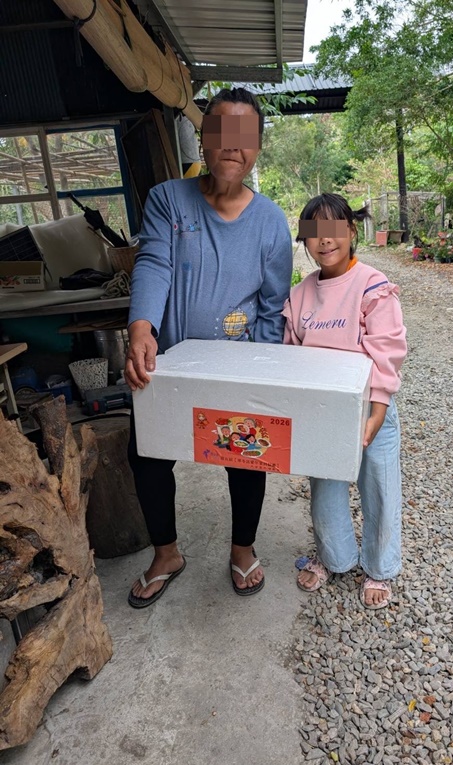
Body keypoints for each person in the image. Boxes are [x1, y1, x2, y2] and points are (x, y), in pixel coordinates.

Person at [124, 88, 293, 607]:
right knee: (147, 456)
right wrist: (141, 328)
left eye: (245, 137)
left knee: (247, 458)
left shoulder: (271, 222)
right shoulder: (168, 200)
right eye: (221, 133)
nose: (232, 146)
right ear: (204, 139)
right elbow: (154, 263)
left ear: (257, 147)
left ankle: (242, 549)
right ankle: (166, 554)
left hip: (236, 369)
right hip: (167, 366)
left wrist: (262, 372)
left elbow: (272, 307)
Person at [283, 193, 407, 609]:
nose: (324, 240)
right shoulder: (300, 295)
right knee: (326, 489)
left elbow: (387, 351)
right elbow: (291, 354)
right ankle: (334, 557)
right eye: (313, 232)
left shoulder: (372, 285)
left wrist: (378, 409)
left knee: (379, 487)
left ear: (351, 231)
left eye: (333, 229)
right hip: (323, 413)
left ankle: (379, 567)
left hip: (371, 408)